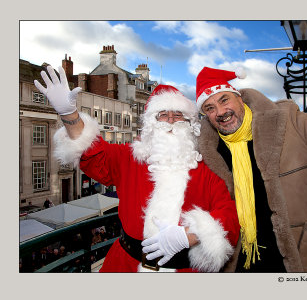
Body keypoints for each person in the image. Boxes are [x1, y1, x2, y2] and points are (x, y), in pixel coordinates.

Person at [34, 70, 240, 273]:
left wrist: (190, 234)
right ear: (151, 123)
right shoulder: (129, 158)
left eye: (178, 116)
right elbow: (92, 151)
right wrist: (70, 115)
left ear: (190, 125)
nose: (170, 121)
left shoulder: (207, 171)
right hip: (124, 266)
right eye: (163, 115)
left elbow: (229, 215)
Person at [195, 29, 307, 272]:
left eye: (224, 100)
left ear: (239, 98)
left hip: (302, 261)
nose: (220, 112)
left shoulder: (289, 122)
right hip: (239, 266)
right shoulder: (208, 151)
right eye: (209, 108)